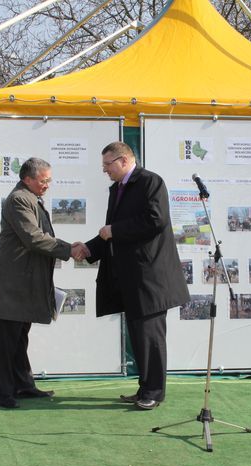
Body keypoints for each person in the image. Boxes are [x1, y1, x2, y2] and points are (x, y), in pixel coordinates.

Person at [73, 142, 189, 410]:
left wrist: (114, 230)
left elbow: (155, 220)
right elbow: (110, 233)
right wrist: (89, 248)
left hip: (150, 277)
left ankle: (154, 392)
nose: (105, 171)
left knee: (152, 337)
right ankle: (144, 388)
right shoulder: (118, 189)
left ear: (124, 160)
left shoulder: (150, 182)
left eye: (107, 165)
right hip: (131, 278)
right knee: (139, 337)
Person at [0, 157, 76, 409]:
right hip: (15, 282)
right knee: (7, 340)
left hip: (24, 280)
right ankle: (1, 392)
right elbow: (34, 238)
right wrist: (70, 249)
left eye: (49, 180)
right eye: (43, 180)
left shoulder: (29, 197)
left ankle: (23, 385)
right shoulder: (19, 199)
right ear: (28, 179)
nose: (47, 184)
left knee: (19, 338)